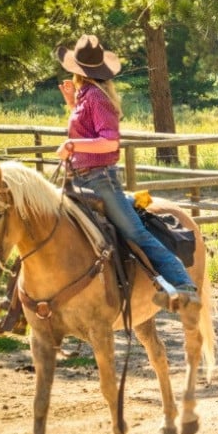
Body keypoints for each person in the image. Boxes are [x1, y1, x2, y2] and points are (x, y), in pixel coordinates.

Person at [54, 34, 199, 311]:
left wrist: (72, 144)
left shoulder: (96, 96)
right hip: (81, 178)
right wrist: (73, 106)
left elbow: (109, 141)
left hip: (99, 180)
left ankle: (184, 286)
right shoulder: (87, 95)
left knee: (137, 234)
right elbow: (89, 130)